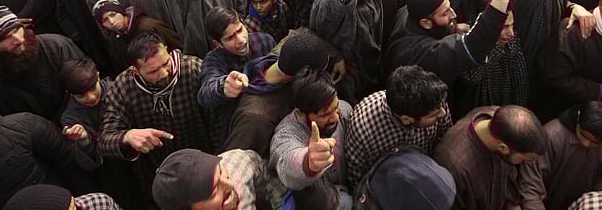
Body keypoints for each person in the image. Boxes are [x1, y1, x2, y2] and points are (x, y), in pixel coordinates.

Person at [97, 32, 216, 209]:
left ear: (168, 51)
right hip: (157, 177)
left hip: (203, 167)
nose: (164, 73)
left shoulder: (193, 68)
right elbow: (104, 140)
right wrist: (126, 136)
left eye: (166, 63)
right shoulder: (123, 87)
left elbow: (218, 118)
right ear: (135, 70)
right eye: (153, 71)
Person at [384, 0, 514, 87]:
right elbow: (473, 48)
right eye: (445, 13)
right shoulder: (421, 53)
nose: (454, 14)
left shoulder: (408, 11)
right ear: (426, 23)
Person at [345, 65, 452, 188]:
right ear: (406, 119)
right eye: (435, 115)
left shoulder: (435, 102)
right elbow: (357, 180)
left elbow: (444, 141)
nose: (443, 113)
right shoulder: (363, 127)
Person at [433, 105, 547, 210]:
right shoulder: (453, 165)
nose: (522, 164)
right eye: (523, 160)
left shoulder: (499, 120)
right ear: (503, 148)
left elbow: (509, 179)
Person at [270, 68, 352, 209]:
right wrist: (308, 162)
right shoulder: (286, 133)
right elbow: (286, 162)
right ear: (301, 114)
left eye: (336, 107)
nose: (335, 118)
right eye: (325, 114)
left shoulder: (344, 110)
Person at [518, 102, 602, 210]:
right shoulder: (551, 136)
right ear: (578, 119)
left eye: (595, 143)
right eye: (583, 135)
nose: (586, 143)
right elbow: (530, 184)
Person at [151, 147, 271, 210]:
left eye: (220, 171)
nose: (230, 184)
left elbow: (271, 180)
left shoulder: (239, 162)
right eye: (214, 192)